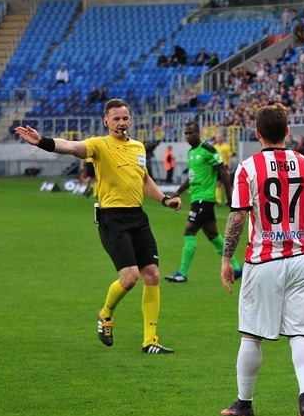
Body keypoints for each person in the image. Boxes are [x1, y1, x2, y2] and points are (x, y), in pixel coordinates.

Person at [15, 98, 182, 354]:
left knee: (153, 275)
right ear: (106, 122)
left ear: (130, 119)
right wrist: (43, 142)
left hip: (138, 217)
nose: (121, 122)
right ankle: (105, 314)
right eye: (116, 118)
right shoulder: (99, 145)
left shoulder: (138, 147)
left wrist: (165, 199)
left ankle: (150, 340)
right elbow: (71, 146)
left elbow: (144, 178)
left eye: (125, 118)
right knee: (129, 278)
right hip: (112, 220)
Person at [220, 103, 304, 416]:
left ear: (257, 134)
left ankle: (244, 403)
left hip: (263, 261)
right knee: (300, 334)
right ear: (287, 132)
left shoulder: (248, 168)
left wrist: (226, 258)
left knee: (251, 335)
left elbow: (238, 215)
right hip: (300, 259)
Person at [165, 122, 243, 284]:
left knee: (189, 231)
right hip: (197, 198)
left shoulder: (208, 149)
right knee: (214, 236)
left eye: (191, 133)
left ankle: (183, 273)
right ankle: (236, 267)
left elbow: (222, 170)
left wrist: (229, 197)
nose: (188, 136)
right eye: (186, 133)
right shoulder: (191, 153)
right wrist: (178, 191)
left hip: (204, 199)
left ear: (198, 133)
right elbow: (191, 177)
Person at [212, 133, 234, 205]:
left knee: (227, 184)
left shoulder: (226, 147)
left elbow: (229, 157)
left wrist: (229, 168)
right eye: (217, 137)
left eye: (220, 137)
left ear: (222, 138)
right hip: (217, 166)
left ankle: (228, 200)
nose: (219, 139)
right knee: (218, 184)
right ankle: (218, 201)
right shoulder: (214, 147)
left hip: (225, 166)